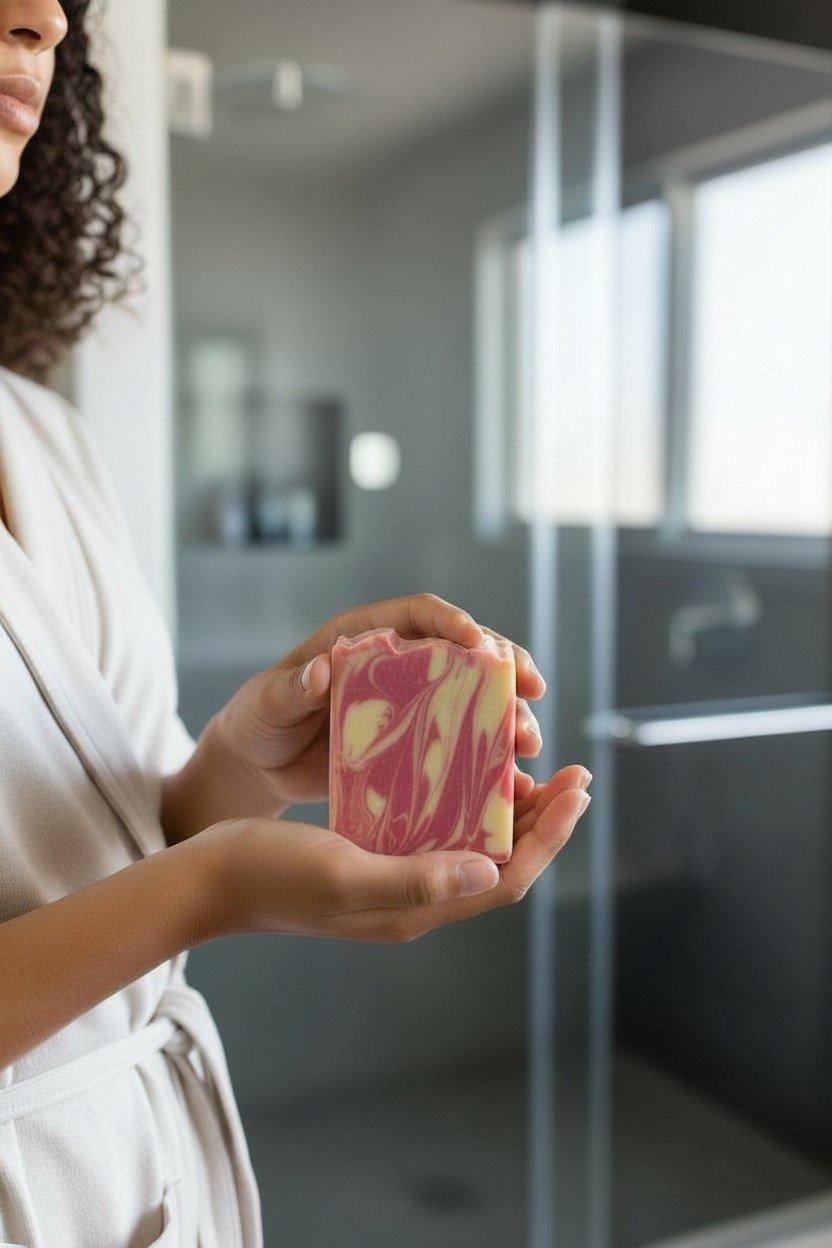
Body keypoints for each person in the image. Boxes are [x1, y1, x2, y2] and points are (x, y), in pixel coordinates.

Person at [0, 2, 592, 1245]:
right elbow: (161, 889)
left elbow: (107, 849)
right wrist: (209, 889)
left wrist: (242, 763)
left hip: (147, 1173)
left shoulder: (44, 435)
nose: (39, 19)